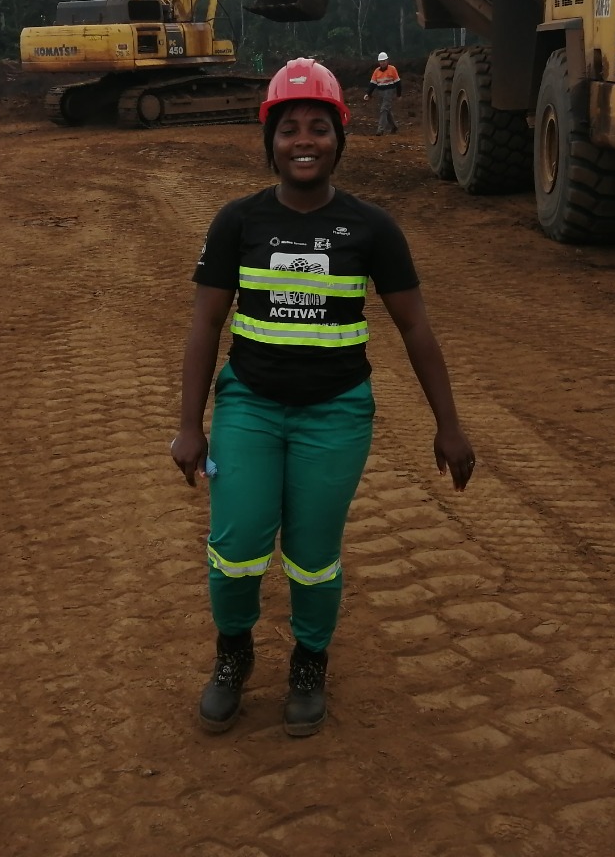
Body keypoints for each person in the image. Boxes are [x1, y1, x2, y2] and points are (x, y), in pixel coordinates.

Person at [172, 57, 476, 738]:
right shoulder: (237, 223)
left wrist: (448, 426)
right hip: (249, 407)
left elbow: (416, 327)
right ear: (269, 142)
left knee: (312, 555)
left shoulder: (372, 229)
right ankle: (234, 654)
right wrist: (189, 425)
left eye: (318, 128)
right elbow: (204, 324)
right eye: (288, 130)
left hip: (336, 415)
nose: (303, 141)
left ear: (339, 138)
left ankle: (310, 662)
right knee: (237, 544)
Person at [364, 52, 401, 134]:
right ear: (379, 62)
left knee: (384, 109)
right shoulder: (376, 71)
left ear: (387, 61)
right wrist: (368, 94)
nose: (383, 63)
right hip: (380, 92)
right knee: (387, 111)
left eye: (384, 61)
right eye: (381, 61)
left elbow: (398, 83)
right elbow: (372, 84)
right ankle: (394, 126)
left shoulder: (392, 69)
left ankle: (380, 130)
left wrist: (399, 94)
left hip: (389, 92)